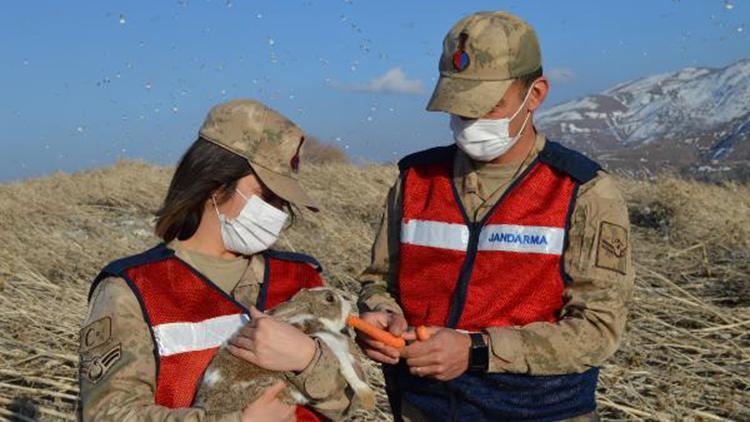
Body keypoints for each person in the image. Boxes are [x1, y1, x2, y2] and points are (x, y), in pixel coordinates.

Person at [355, 11, 634, 422]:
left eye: (487, 107)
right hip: (424, 408)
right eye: (459, 107)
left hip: (541, 412)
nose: (470, 123)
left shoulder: (584, 192)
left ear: (535, 94)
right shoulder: (415, 181)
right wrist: (381, 316)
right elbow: (379, 281)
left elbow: (596, 331)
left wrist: (478, 351)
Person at [79, 99, 363, 421]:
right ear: (215, 183)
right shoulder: (133, 290)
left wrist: (307, 357)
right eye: (266, 196)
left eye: (281, 201)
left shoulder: (301, 278)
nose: (276, 213)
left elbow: (351, 401)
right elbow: (107, 415)